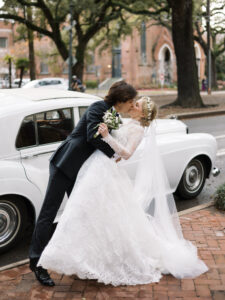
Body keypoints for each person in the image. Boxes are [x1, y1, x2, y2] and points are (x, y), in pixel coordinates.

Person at [38, 96, 208, 286]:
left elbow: (126, 154)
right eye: (134, 102)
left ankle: (87, 260)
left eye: (137, 105)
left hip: (104, 170)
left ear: (143, 113)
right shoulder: (127, 121)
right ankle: (83, 259)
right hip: (95, 166)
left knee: (87, 213)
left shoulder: (138, 129)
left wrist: (107, 137)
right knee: (89, 215)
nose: (133, 105)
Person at [29, 81, 137, 286]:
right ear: (121, 100)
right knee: (48, 213)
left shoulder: (113, 114)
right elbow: (92, 136)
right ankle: (37, 264)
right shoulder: (98, 108)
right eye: (130, 102)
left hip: (81, 170)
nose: (132, 106)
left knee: (80, 214)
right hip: (65, 164)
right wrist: (114, 155)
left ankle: (78, 260)